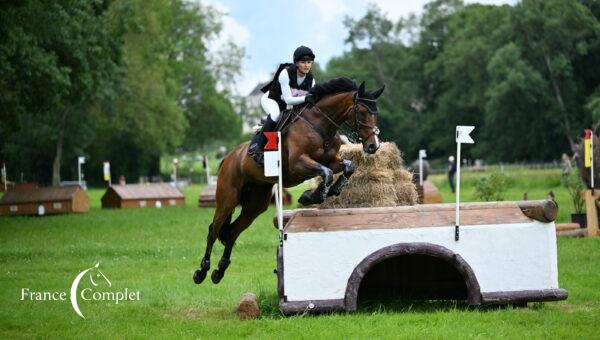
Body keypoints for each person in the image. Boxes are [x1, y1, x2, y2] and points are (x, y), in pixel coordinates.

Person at [247, 46, 318, 161]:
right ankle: (257, 146)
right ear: (296, 63)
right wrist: (306, 98)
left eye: (309, 62)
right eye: (303, 62)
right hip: (271, 99)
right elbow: (289, 99)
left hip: (285, 104)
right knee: (275, 115)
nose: (307, 65)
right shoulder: (286, 73)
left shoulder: (311, 80)